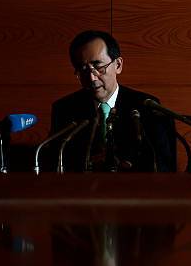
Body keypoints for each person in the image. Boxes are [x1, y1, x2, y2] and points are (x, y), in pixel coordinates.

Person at [49, 30, 176, 172]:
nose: (92, 78)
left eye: (98, 66)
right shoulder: (64, 109)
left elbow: (164, 166)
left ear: (118, 65)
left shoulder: (147, 107)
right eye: (83, 69)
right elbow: (54, 164)